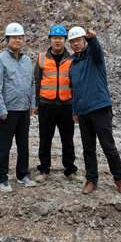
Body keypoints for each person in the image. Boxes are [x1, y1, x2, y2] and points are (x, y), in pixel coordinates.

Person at [67, 26, 121, 195]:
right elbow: (74, 89)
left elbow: (96, 48)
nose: (76, 44)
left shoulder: (94, 57)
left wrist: (93, 38)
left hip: (100, 108)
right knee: (88, 148)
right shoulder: (73, 65)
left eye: (79, 40)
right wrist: (74, 110)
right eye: (72, 42)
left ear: (84, 41)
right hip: (83, 111)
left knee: (108, 146)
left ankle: (120, 180)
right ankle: (91, 180)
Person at [0, 23, 37, 192]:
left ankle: (23, 173)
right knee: (4, 145)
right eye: (14, 37)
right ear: (7, 39)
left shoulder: (27, 61)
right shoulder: (0, 60)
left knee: (23, 144)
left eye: (20, 37)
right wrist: (1, 109)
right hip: (8, 110)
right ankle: (1, 177)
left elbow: (32, 83)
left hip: (24, 109)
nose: (17, 40)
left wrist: (32, 104)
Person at [34, 25, 81, 183]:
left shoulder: (72, 59)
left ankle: (70, 170)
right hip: (46, 105)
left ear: (65, 40)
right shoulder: (41, 58)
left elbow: (76, 84)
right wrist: (36, 103)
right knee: (45, 139)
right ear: (50, 40)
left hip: (66, 105)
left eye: (60, 38)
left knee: (67, 139)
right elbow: (36, 82)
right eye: (54, 38)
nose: (57, 41)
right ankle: (43, 169)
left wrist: (76, 106)